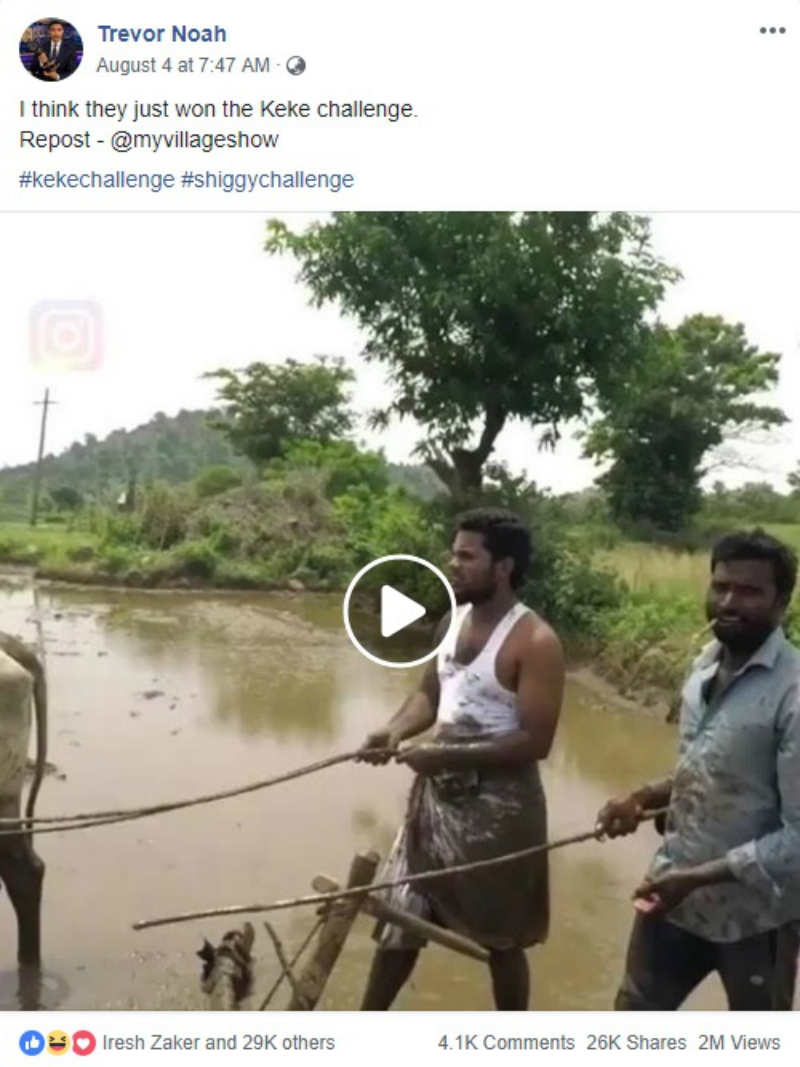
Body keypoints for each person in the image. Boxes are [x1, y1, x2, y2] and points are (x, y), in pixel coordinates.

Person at [357, 508, 565, 1010]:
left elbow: (536, 742)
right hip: (435, 802)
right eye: (454, 553)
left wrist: (443, 755)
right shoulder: (452, 623)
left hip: (498, 814)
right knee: (399, 918)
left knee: (502, 942)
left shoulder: (536, 642)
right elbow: (429, 695)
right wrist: (394, 729)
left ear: (504, 567)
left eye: (467, 556)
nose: (453, 564)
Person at [596, 528, 800, 1011]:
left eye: (750, 591)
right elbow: (708, 771)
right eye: (721, 586)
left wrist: (698, 877)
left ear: (781, 602)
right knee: (634, 1014)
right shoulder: (703, 667)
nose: (730, 601)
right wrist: (643, 799)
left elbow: (798, 837)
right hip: (673, 894)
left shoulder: (792, 694)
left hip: (759, 915)